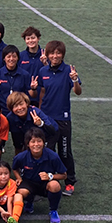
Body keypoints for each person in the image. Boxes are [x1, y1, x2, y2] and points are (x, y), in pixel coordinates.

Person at [38, 40, 82, 196]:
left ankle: (70, 182)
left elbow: (78, 92)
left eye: (58, 53)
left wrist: (75, 80)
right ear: (47, 54)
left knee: (64, 152)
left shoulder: (69, 71)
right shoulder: (43, 71)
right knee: (47, 150)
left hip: (63, 119)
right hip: (47, 119)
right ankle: (47, 181)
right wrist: (40, 111)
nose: (55, 56)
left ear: (62, 55)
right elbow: (42, 92)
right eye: (52, 53)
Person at [12, 128, 66, 223]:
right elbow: (14, 168)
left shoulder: (53, 156)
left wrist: (50, 176)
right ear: (28, 144)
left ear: (43, 142)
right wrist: (19, 178)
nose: (36, 144)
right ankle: (29, 202)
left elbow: (64, 175)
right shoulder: (21, 157)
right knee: (21, 191)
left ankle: (53, 211)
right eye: (33, 142)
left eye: (39, 141)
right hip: (29, 183)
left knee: (55, 185)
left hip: (45, 184)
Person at [0, 44, 35, 116]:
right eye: (8, 56)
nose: (11, 59)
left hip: (19, 111)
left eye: (14, 56)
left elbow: (32, 95)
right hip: (2, 112)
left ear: (18, 58)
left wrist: (33, 89)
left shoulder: (24, 74)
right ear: (4, 58)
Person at [19, 26, 48, 106]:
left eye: (33, 38)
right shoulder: (21, 56)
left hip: (42, 96)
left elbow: (52, 73)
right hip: (24, 97)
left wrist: (45, 63)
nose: (30, 41)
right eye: (28, 39)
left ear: (38, 38)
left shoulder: (46, 55)